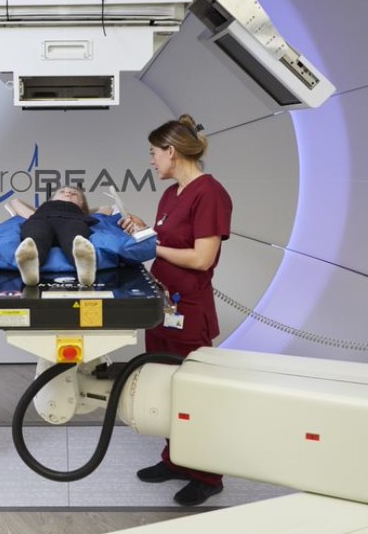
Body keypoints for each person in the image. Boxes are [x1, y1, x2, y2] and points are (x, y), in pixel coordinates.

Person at [120, 113, 233, 507]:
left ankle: (206, 475)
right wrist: (142, 232)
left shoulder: (210, 193)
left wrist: (151, 247)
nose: (152, 161)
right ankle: (175, 459)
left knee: (194, 391)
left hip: (190, 307)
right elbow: (168, 241)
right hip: (163, 304)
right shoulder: (171, 194)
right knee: (165, 386)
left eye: (154, 152)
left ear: (171, 151)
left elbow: (202, 258)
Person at [10, 186, 100, 287]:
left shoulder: (83, 214)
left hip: (72, 221)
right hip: (42, 221)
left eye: (74, 193)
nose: (68, 193)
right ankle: (30, 270)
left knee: (75, 236)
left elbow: (106, 208)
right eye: (62, 192)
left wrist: (88, 211)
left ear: (82, 204)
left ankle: (84, 269)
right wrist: (37, 209)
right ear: (51, 199)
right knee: (36, 233)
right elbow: (15, 201)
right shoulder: (39, 211)